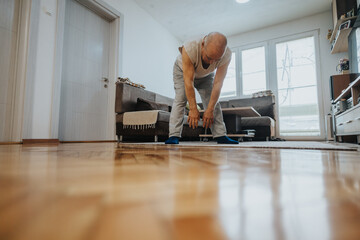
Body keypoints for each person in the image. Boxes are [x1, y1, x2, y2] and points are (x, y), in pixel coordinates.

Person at [165, 32, 239, 145]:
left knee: (213, 102)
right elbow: (188, 82)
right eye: (209, 57)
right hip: (182, 71)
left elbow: (218, 84)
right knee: (181, 97)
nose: (211, 62)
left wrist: (209, 110)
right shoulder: (190, 47)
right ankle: (173, 135)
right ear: (203, 44)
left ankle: (221, 135)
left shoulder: (227, 55)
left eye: (216, 60)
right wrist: (193, 109)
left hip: (206, 75)